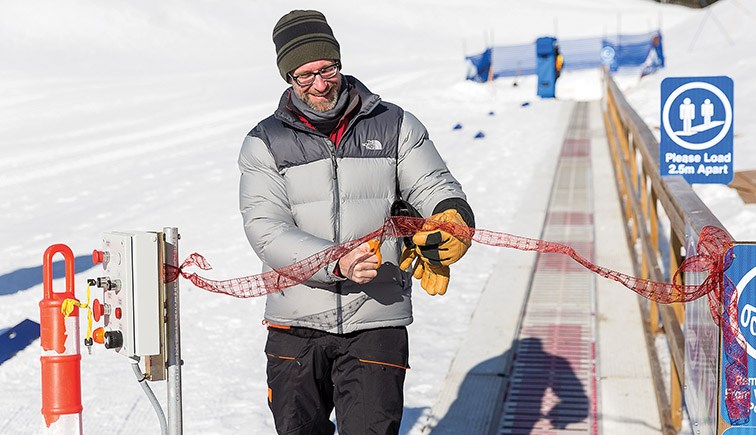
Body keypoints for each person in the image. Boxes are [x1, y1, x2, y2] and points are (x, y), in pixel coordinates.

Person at [238, 10, 475, 435]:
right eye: (304, 76)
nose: (319, 84)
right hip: (297, 324)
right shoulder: (264, 142)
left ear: (339, 63)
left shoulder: (393, 123)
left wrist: (452, 215)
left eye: (326, 69)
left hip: (376, 316)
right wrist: (337, 262)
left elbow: (433, 182)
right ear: (288, 78)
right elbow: (266, 228)